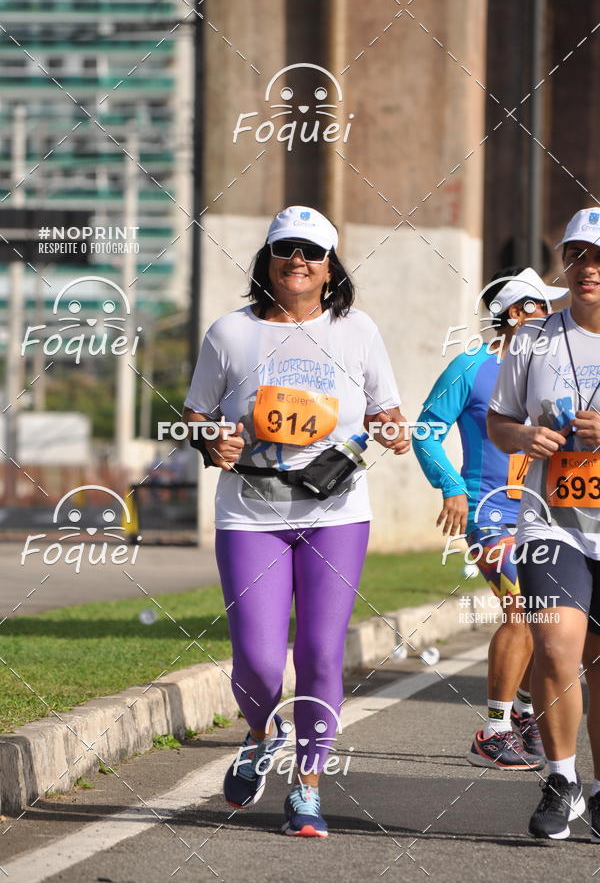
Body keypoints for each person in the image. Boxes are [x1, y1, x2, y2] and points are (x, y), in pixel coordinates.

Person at [182, 205, 410, 838]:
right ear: (268, 262)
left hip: (336, 513)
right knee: (256, 662)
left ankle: (306, 786)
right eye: (286, 251)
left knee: (318, 654)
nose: (298, 262)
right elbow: (196, 413)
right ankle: (261, 733)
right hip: (249, 515)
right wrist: (211, 441)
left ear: (330, 265)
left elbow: (389, 408)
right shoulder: (230, 333)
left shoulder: (357, 330)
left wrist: (393, 430)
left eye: (312, 252)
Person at [414, 267, 567, 770]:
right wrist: (452, 489)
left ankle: (522, 712)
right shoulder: (470, 366)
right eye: (543, 308)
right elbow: (425, 431)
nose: (552, 318)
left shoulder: (552, 370)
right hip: (488, 513)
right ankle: (494, 730)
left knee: (549, 623)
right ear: (517, 315)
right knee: (520, 608)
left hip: (545, 516)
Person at [488, 207, 600, 840]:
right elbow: (498, 420)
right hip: (548, 522)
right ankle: (561, 780)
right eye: (579, 254)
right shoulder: (532, 338)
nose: (590, 269)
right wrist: (526, 435)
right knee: (557, 646)